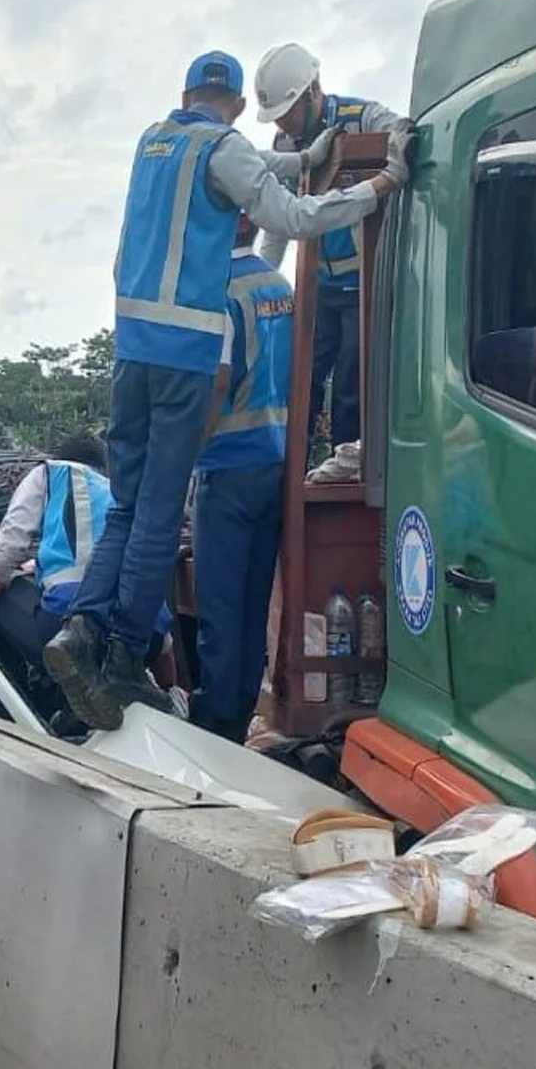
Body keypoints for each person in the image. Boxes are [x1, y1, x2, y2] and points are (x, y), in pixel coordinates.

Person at [43, 50, 412, 732]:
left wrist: (304, 159)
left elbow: (248, 168)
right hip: (198, 370)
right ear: (240, 108)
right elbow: (294, 216)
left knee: (128, 507)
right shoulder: (258, 252)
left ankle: (80, 629)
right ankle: (124, 651)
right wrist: (375, 188)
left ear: (185, 91)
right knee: (160, 516)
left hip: (131, 348)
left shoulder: (153, 141)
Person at [254, 43, 408, 451]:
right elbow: (281, 219)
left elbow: (402, 129)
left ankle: (347, 469)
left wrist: (401, 138)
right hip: (319, 283)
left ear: (312, 91)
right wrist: (258, 283)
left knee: (351, 387)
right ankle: (290, 466)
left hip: (364, 282)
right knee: (299, 379)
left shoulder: (359, 119)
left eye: (287, 113)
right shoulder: (287, 146)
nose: (284, 126)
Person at [0, 434, 173, 727]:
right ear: (103, 467)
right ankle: (121, 692)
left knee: (5, 589)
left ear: (61, 457)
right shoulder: (121, 495)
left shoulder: (50, 473)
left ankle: (58, 692)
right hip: (146, 635)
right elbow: (165, 642)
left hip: (68, 625)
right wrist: (171, 689)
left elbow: (8, 548)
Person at [190, 213, 295, 744]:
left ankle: (217, 723)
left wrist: (189, 449)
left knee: (220, 604)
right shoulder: (280, 287)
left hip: (227, 463)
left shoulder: (219, 289)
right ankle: (240, 713)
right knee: (255, 602)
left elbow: (218, 379)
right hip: (278, 461)